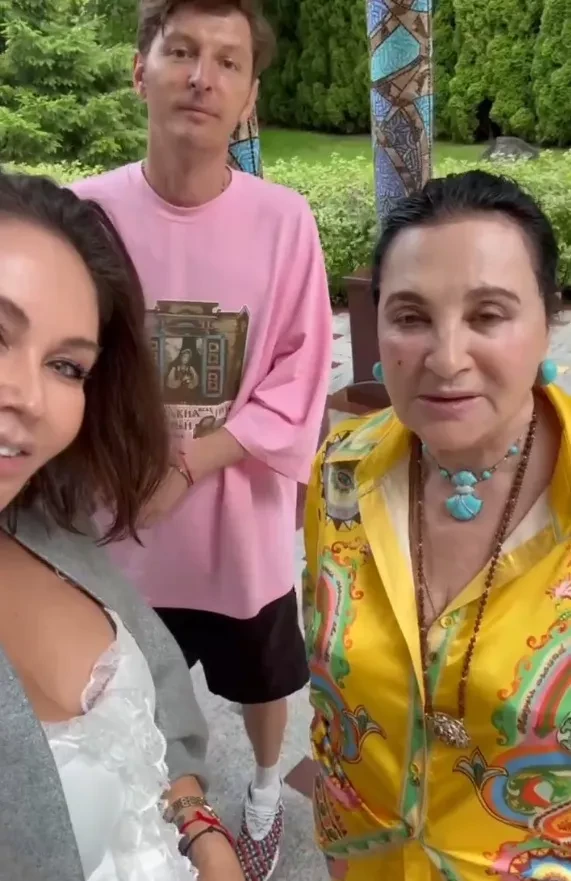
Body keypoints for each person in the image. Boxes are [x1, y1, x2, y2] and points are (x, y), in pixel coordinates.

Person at [71, 1, 332, 878]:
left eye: (227, 61)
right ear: (138, 71)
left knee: (262, 680)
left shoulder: (283, 220)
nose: (200, 77)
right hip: (118, 524)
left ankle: (260, 789)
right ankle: (161, 802)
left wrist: (188, 463)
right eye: (180, 51)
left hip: (236, 525)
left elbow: (299, 369)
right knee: (126, 683)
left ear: (249, 96)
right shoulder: (85, 214)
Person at [303, 171, 571, 880]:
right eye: (411, 317)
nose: (446, 359)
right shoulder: (341, 468)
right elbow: (330, 702)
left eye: (488, 315)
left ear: (547, 322)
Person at [0, 169, 245, 881]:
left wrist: (199, 825)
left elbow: (157, 681)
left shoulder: (46, 522)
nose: (30, 397)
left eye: (66, 365)